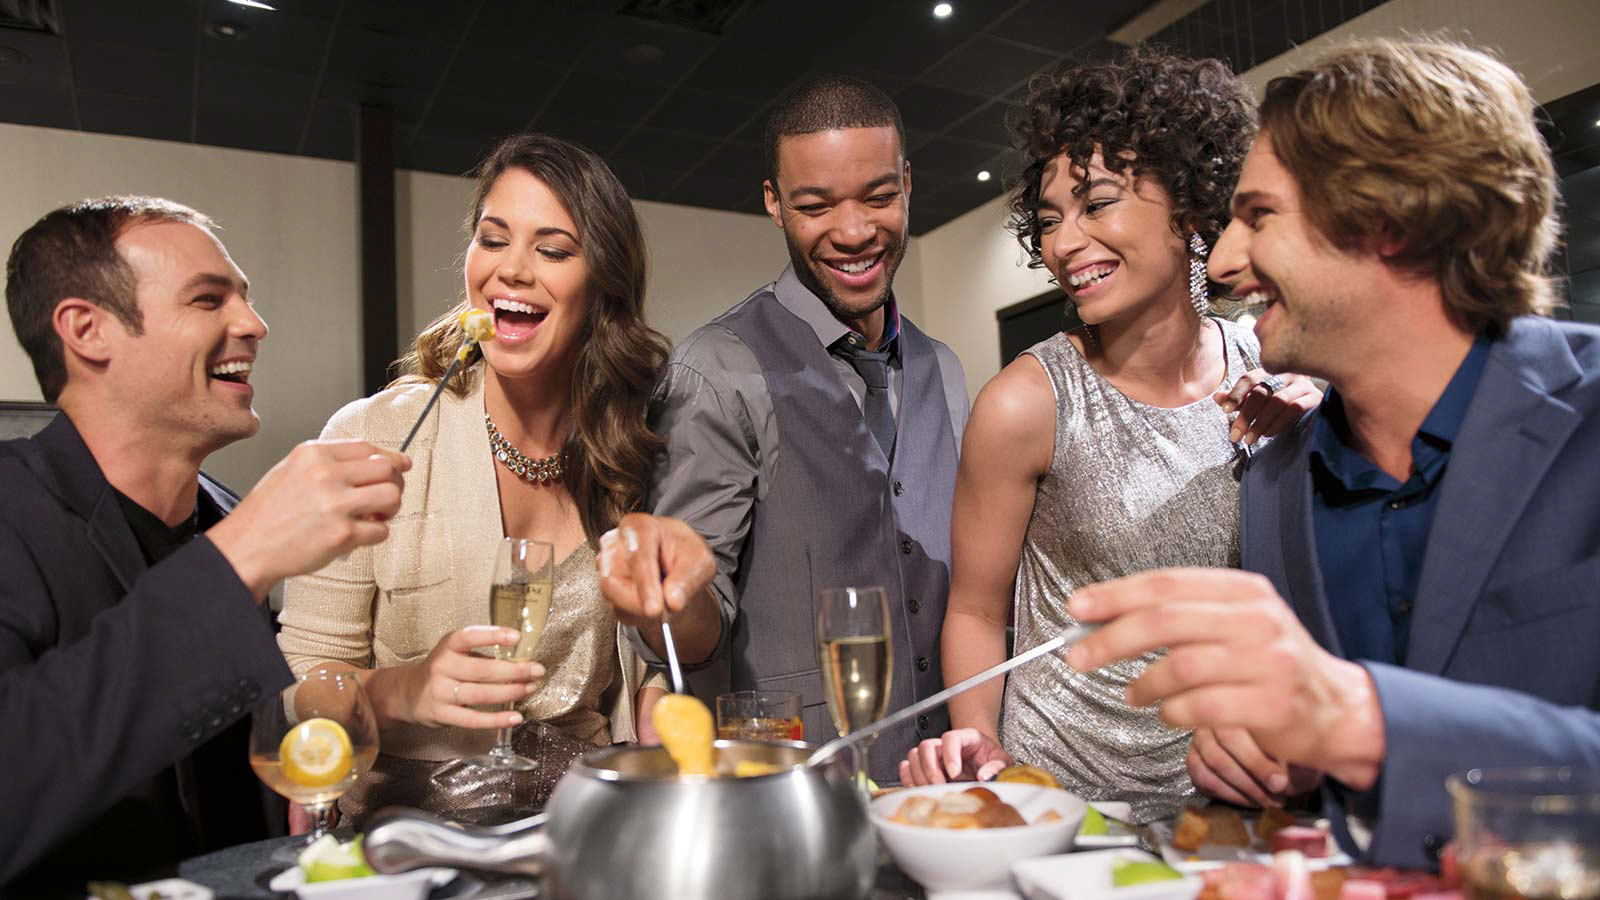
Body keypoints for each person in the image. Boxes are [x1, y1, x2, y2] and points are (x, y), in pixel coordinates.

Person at [1063, 38, 1600, 869]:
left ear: (1386, 218)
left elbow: (1368, 721)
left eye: (1259, 216)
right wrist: (1278, 761)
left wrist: (1362, 720)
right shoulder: (1277, 481)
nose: (1226, 260)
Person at [895, 49, 1319, 822]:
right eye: (1051, 219)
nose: (1063, 243)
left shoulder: (1272, 371)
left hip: (1234, 797)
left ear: (1191, 207)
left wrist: (1313, 430)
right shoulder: (1025, 403)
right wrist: (980, 753)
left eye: (1097, 203)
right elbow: (977, 611)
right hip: (1063, 800)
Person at [0, 196, 408, 888]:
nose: (254, 325)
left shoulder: (226, 515)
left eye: (243, 300)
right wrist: (242, 557)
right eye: (208, 299)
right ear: (86, 329)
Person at [277, 133, 670, 822]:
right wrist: (404, 692)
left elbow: (651, 664)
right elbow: (295, 691)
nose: (511, 271)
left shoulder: (630, 453)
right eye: (493, 239)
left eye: (551, 249)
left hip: (584, 831)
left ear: (602, 285)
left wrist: (661, 702)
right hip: (407, 842)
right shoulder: (371, 437)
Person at [597, 74, 969, 781]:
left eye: (880, 197)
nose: (855, 231)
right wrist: (666, 594)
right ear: (774, 203)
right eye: (816, 205)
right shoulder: (716, 370)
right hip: (791, 788)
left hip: (936, 783)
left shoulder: (945, 370)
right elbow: (688, 637)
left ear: (910, 184)